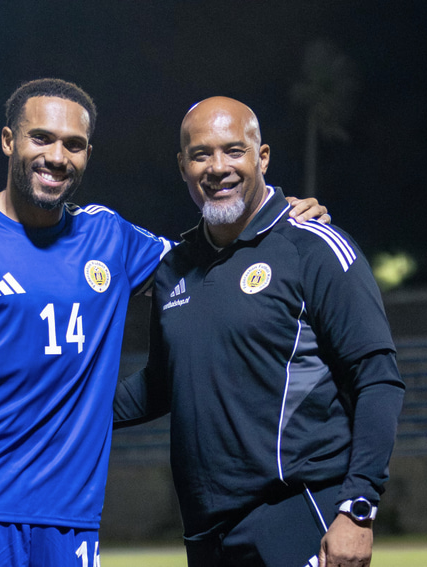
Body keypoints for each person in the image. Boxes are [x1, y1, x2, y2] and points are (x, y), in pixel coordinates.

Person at [0, 80, 329, 567]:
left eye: (73, 145)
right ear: (9, 140)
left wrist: (279, 221)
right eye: (41, 138)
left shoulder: (108, 234)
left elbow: (208, 262)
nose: (56, 156)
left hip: (74, 517)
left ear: (87, 154)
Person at [114, 96, 405, 567]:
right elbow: (162, 384)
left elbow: (377, 378)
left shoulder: (312, 245)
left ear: (262, 157)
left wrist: (358, 508)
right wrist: (65, 407)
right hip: (206, 531)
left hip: (299, 513)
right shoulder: (175, 269)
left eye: (234, 150)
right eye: (201, 154)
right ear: (183, 166)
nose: (218, 168)